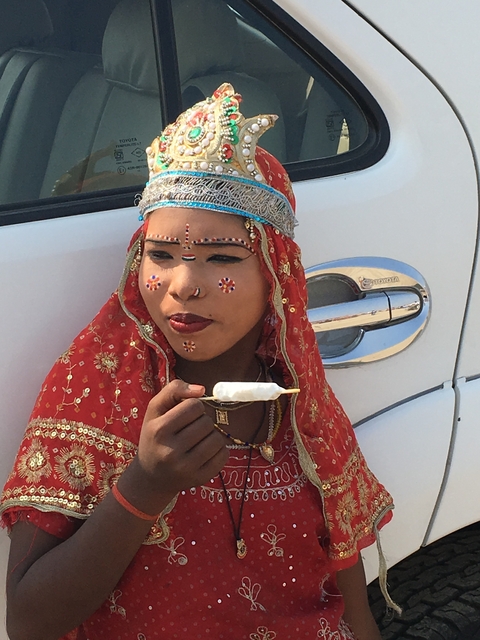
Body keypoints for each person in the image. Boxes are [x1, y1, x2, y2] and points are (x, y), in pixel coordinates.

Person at [1, 83, 397, 640]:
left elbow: (349, 599)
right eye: (161, 256)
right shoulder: (98, 390)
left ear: (275, 275)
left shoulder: (298, 404)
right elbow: (30, 621)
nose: (183, 286)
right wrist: (145, 486)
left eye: (221, 258)